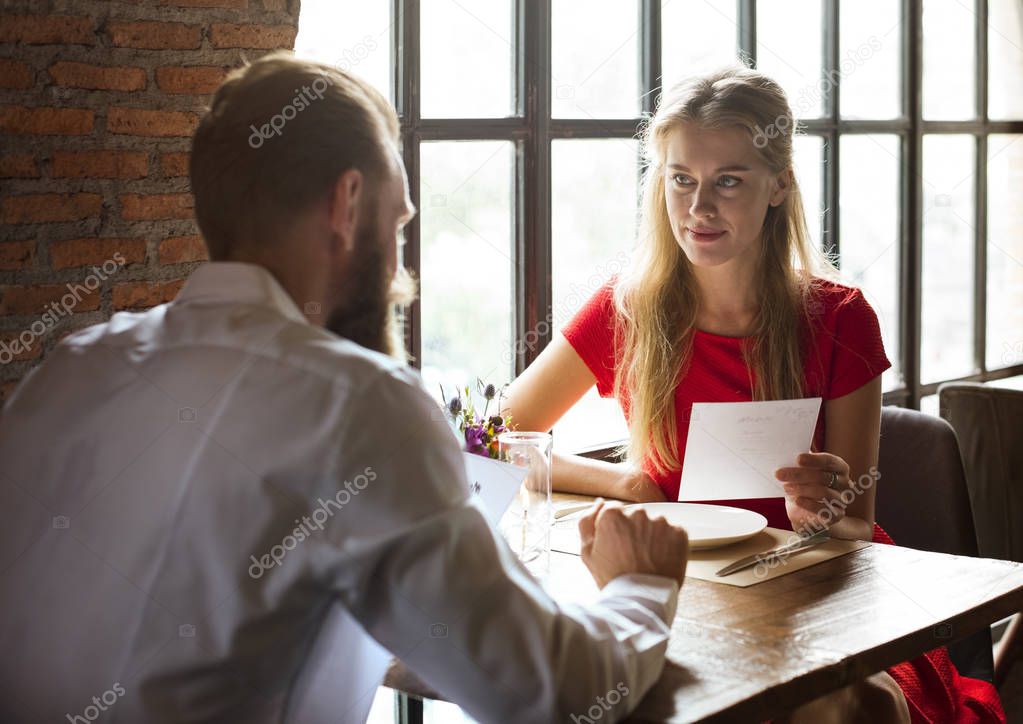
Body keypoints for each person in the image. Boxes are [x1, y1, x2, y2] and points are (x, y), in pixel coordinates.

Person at [0, 52, 690, 723]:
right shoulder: (355, 403)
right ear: (347, 201)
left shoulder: (67, 371)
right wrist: (640, 584)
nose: (400, 273)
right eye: (396, 225)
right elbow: (553, 698)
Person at [502, 67, 1006, 723]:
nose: (698, 207)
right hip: (683, 594)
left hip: (816, 591)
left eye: (728, 181)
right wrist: (621, 484)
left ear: (779, 184)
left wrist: (823, 512)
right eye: (679, 179)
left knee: (844, 707)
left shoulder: (839, 318)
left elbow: (855, 524)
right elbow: (492, 438)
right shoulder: (623, 309)